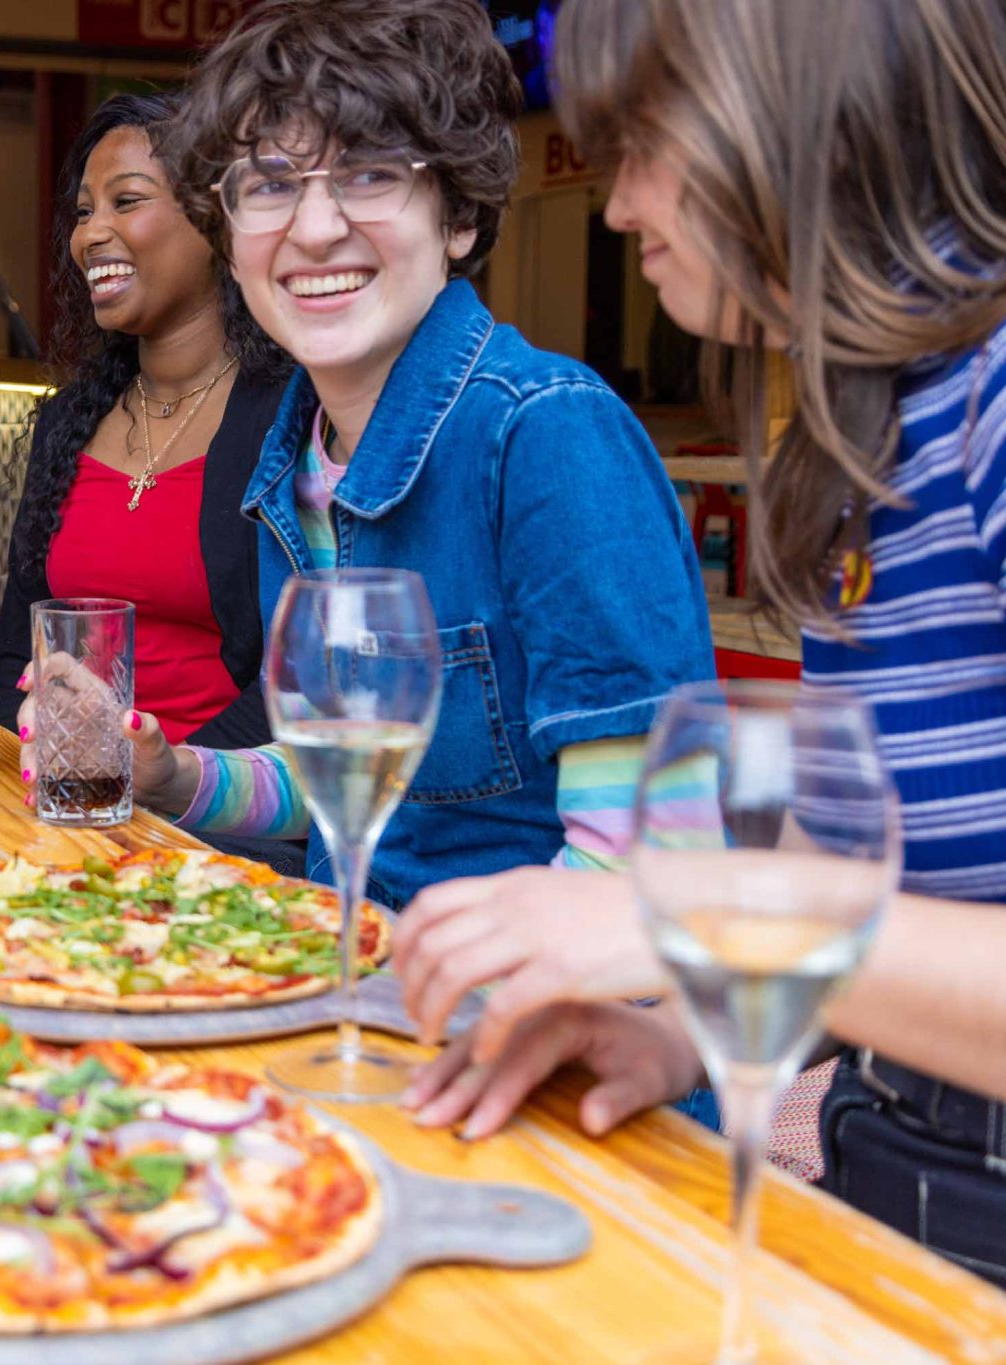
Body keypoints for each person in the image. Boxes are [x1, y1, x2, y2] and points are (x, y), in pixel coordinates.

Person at [390, 0, 1006, 1286]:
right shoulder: (875, 430)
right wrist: (684, 1045)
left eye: (641, 142)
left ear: (803, 114)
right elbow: (916, 932)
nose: (615, 208)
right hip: (892, 1204)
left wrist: (692, 915)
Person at [18, 0, 713, 910]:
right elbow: (338, 771)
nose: (314, 229)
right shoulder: (295, 458)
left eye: (371, 175)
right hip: (352, 974)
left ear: (456, 215)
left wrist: (413, 988)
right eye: (270, 186)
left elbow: (654, 864)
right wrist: (173, 775)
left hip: (519, 1021)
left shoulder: (545, 434)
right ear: (228, 234)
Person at [0, 93, 297, 866]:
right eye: (84, 211)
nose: (90, 234)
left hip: (231, 825)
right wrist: (57, 775)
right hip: (70, 813)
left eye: (126, 201)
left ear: (213, 218)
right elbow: (12, 652)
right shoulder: (66, 422)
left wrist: (163, 787)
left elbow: (295, 683)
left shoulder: (291, 418)